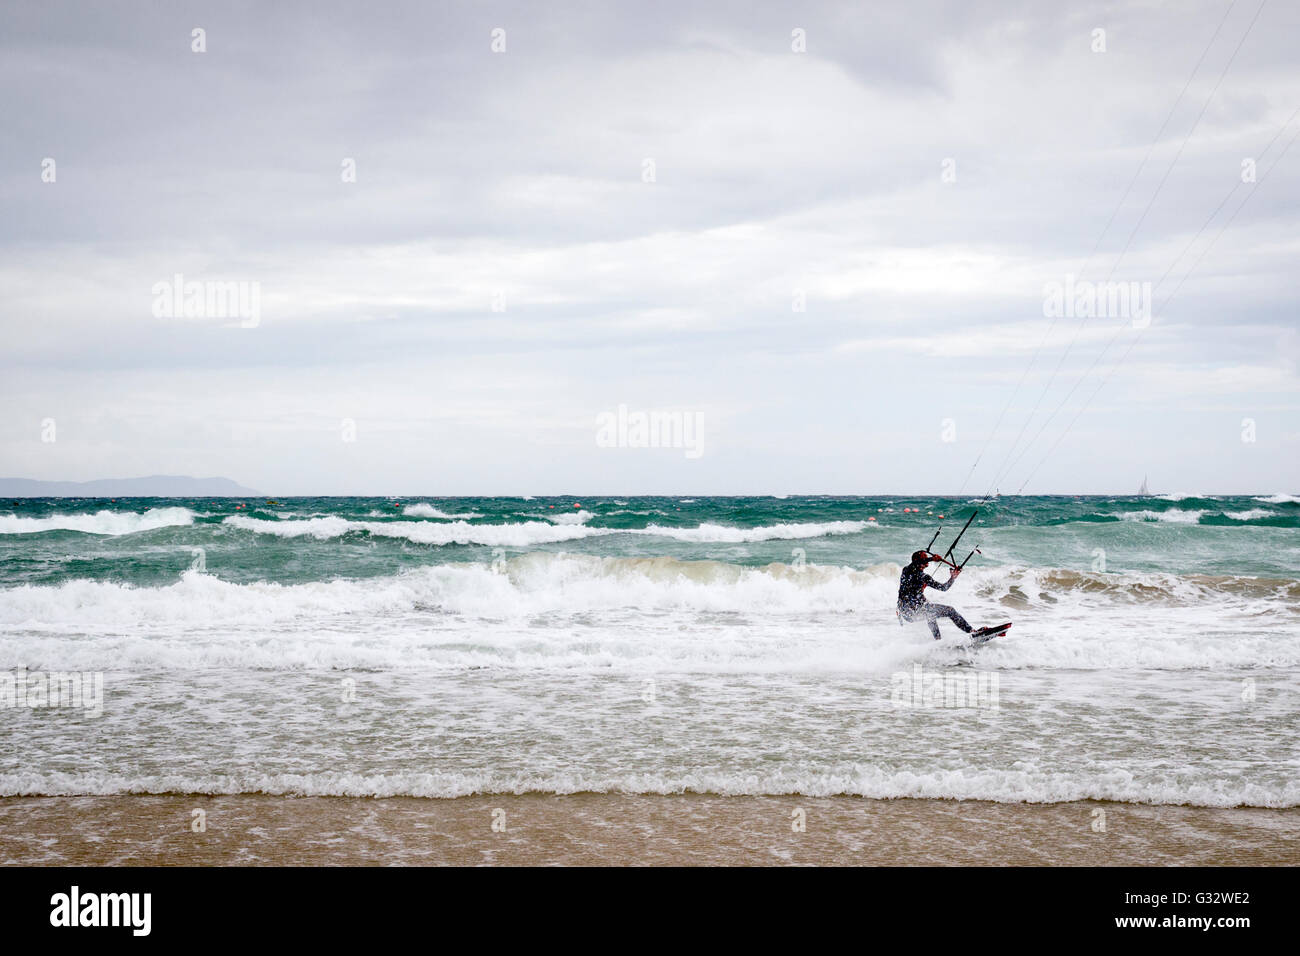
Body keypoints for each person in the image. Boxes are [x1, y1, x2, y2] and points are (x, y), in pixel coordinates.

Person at [897, 550, 974, 640]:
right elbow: (916, 563)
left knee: (930, 611)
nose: (926, 559)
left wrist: (953, 578)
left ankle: (938, 640)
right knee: (950, 610)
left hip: (908, 612)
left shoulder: (922, 577)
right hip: (909, 611)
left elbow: (943, 588)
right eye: (924, 557)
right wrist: (932, 559)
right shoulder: (907, 570)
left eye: (926, 557)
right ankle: (971, 631)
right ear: (917, 560)